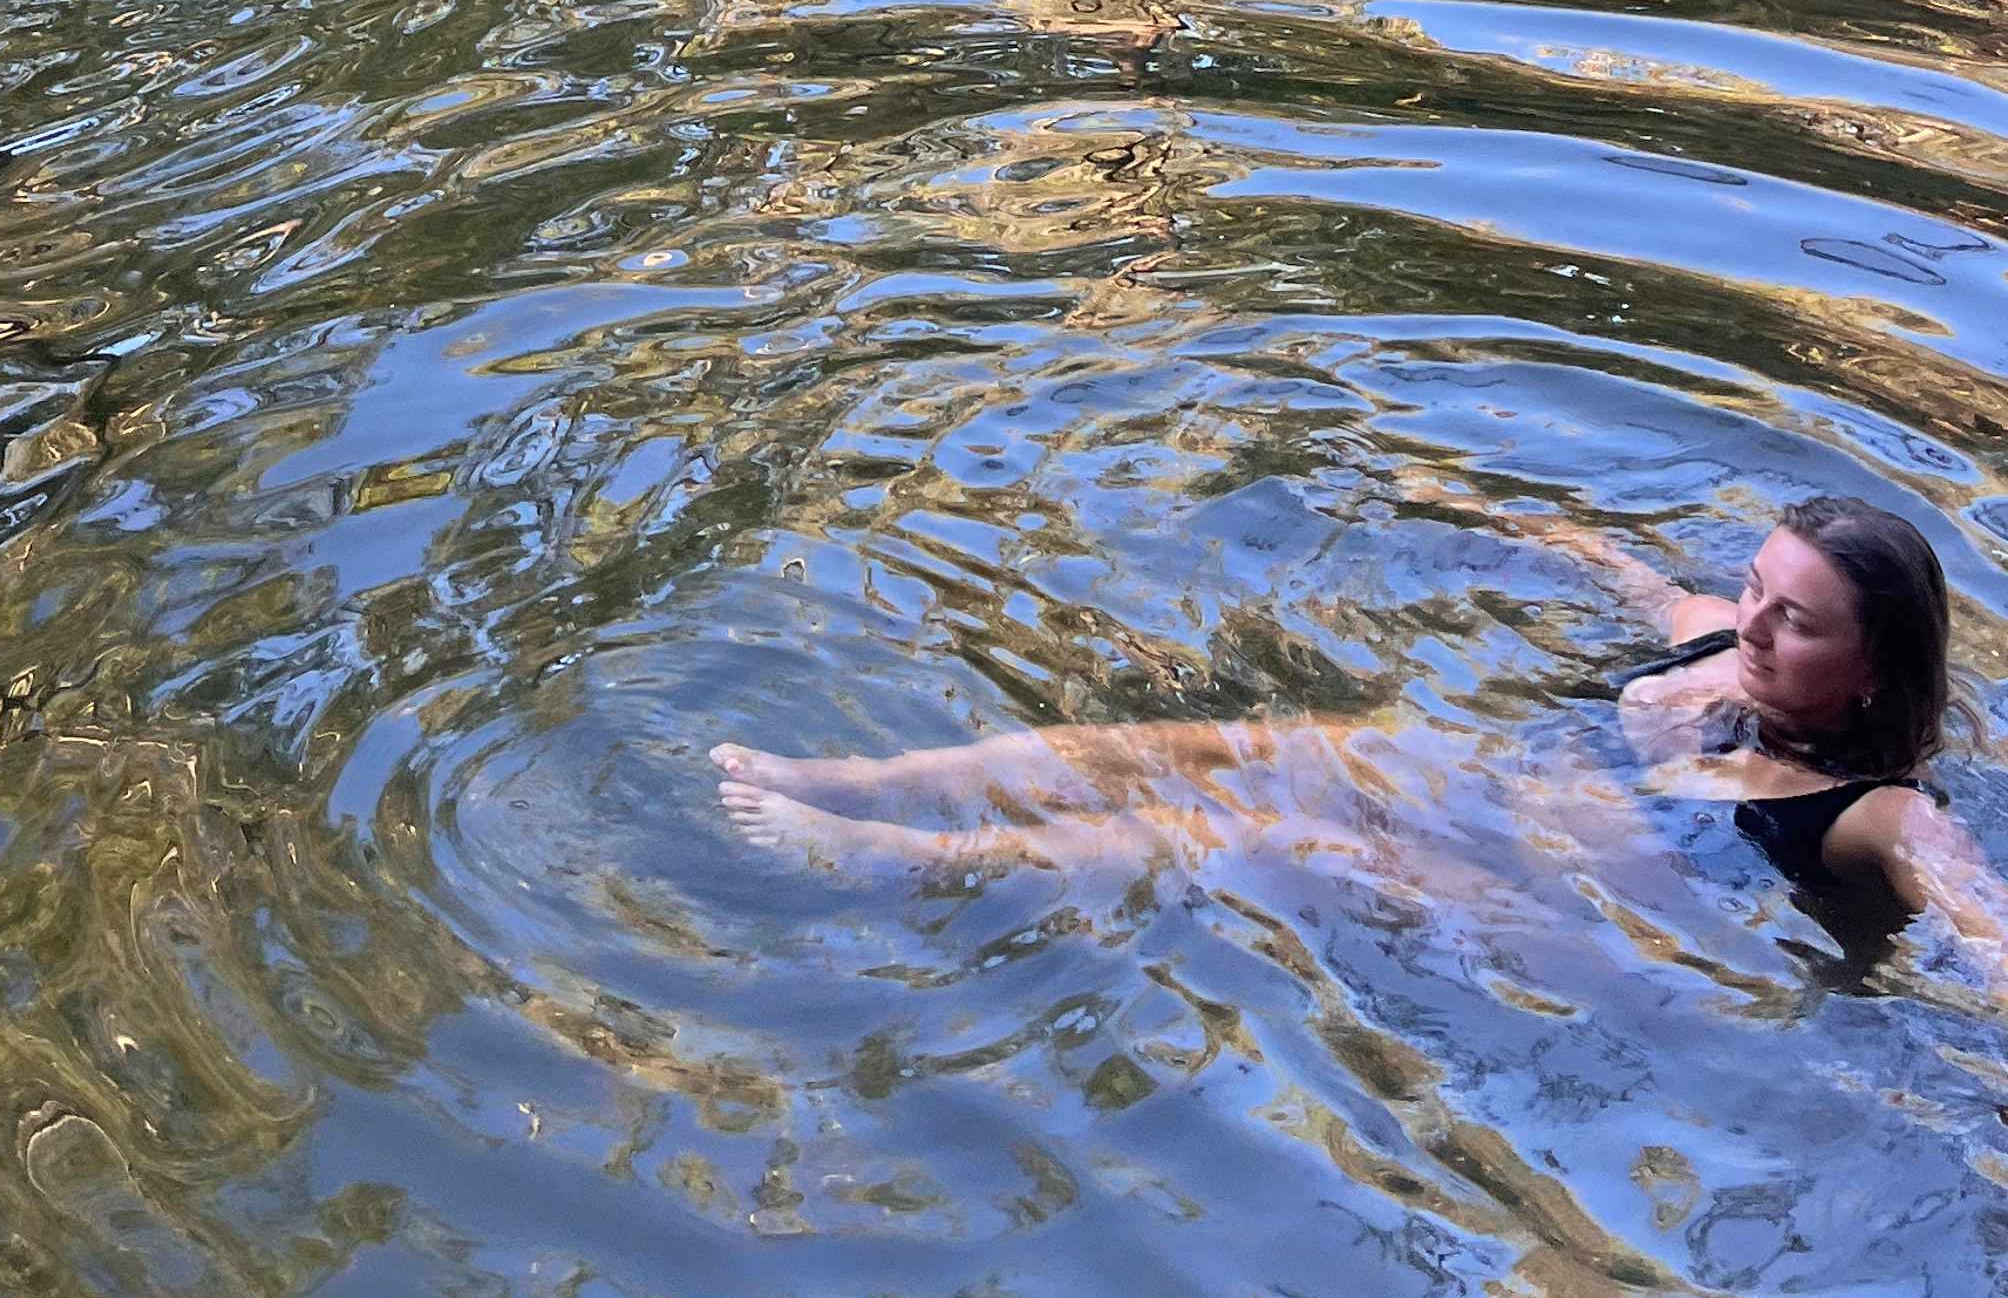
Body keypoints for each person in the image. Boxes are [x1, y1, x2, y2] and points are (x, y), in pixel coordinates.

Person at [714, 488, 2008, 965]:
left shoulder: (1881, 812)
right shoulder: (1713, 644)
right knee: (1221, 747)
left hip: (1565, 909)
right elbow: (1612, 565)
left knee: (1247, 837)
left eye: (1797, 622)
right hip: (1486, 792)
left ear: (1872, 670)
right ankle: (864, 779)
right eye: (1755, 592)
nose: (1755, 626)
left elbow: (1974, 916)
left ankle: (904, 860)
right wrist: (1469, 507)